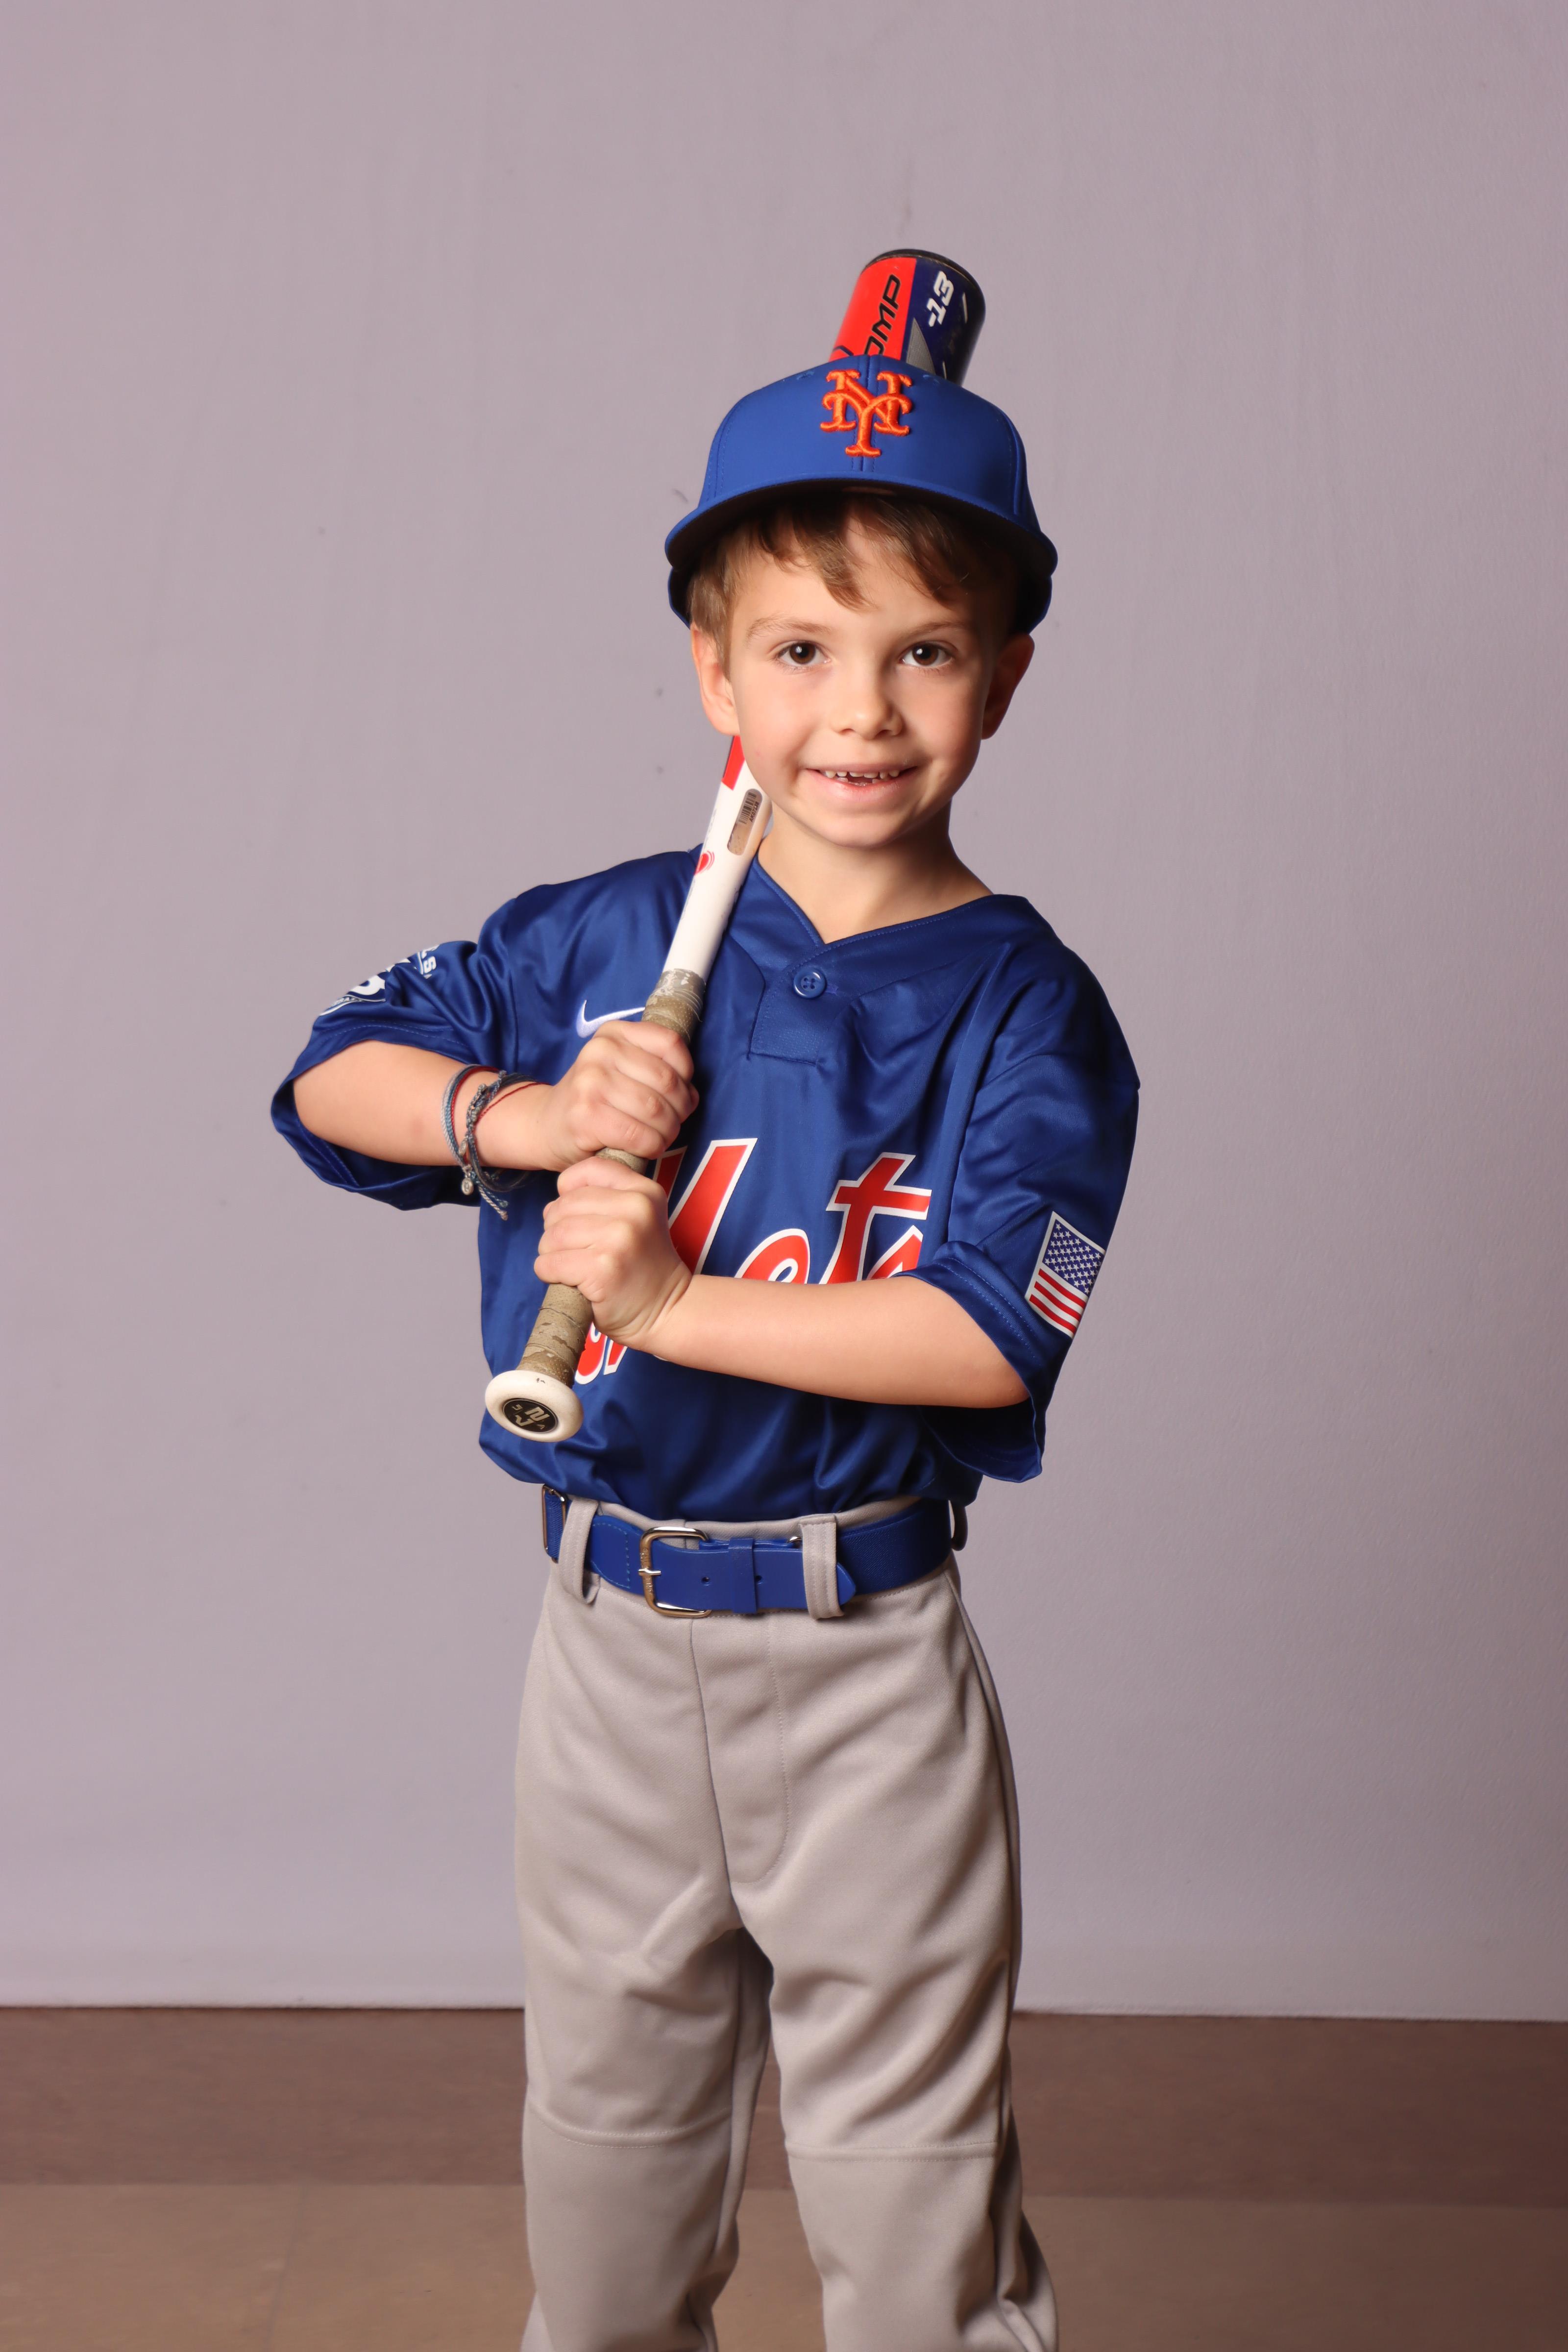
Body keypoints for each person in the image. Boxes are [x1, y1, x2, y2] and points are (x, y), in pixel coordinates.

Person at [274, 343, 1138, 2352]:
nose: (860, 710)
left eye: (925, 652)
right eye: (801, 649)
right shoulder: (599, 941)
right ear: (712, 672)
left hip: (865, 1658)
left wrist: (667, 1303)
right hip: (605, 1647)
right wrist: (527, 1118)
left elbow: (984, 1338)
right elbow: (331, 1079)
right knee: (605, 2195)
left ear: (1007, 677)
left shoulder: (1029, 1009)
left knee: (913, 2210)